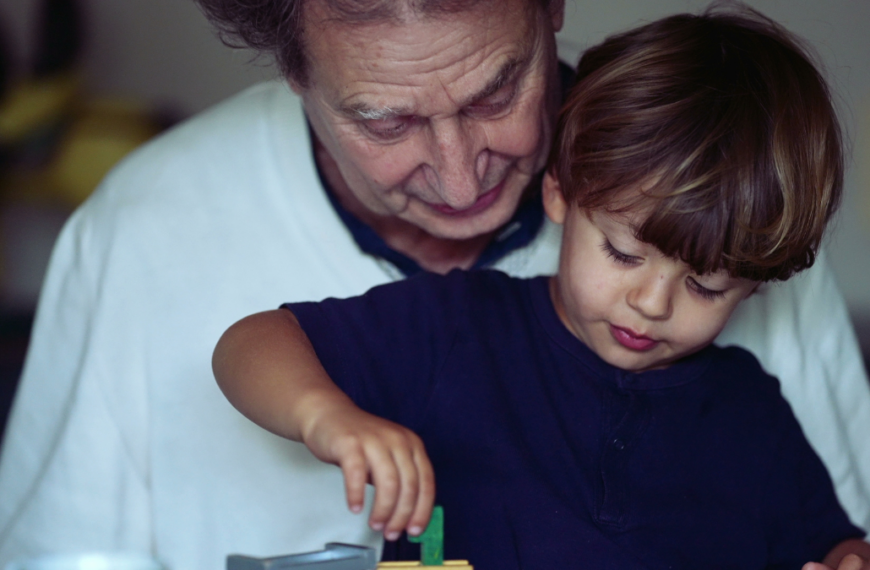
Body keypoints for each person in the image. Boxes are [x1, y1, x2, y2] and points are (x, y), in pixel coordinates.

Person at [0, 0, 868, 569]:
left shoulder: (728, 213)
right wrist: (324, 414)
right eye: (386, 120)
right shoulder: (143, 229)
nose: (460, 181)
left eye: (498, 92)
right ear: (294, 75)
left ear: (552, 9)